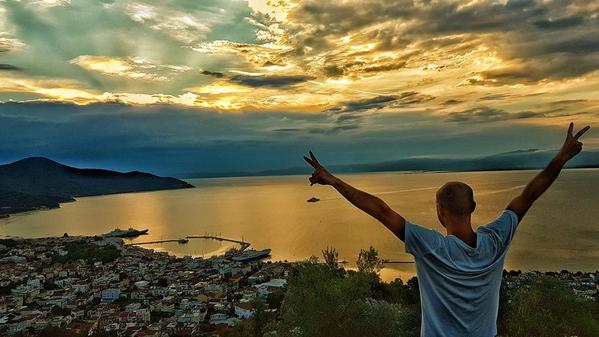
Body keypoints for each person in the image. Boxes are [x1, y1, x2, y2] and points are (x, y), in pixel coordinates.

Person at [303, 122, 591, 337]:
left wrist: (335, 181)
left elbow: (380, 210)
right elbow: (529, 194)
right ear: (474, 207)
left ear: (440, 211)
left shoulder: (431, 247)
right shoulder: (496, 240)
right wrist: (561, 158)